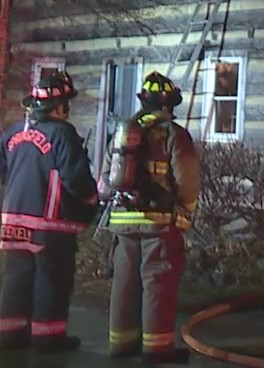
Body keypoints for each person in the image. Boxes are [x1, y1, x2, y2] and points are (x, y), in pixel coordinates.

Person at [103, 72, 201, 363]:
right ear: (169, 105)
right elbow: (187, 180)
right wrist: (186, 212)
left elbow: (108, 178)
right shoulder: (174, 134)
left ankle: (121, 343)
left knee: (124, 282)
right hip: (158, 221)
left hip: (122, 220)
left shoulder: (124, 133)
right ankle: (157, 348)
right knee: (157, 282)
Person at [0, 71, 99, 352]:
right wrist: (91, 199)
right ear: (58, 107)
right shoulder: (63, 134)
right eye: (66, 104)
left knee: (16, 277)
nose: (68, 110)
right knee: (51, 278)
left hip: (13, 220)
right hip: (50, 223)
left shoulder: (12, 133)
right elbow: (75, 178)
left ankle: (10, 334)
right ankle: (48, 337)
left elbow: (3, 171)